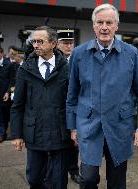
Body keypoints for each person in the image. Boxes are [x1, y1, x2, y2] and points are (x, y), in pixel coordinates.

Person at [66, 4, 138, 189]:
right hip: (88, 125)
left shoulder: (131, 53)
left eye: (109, 22)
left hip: (119, 126)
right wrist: (72, 126)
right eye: (100, 22)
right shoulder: (79, 54)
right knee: (87, 178)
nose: (104, 27)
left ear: (116, 26)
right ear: (94, 26)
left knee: (117, 181)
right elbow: (72, 95)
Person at [10, 26, 71, 189]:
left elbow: (73, 102)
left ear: (53, 43)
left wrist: (75, 129)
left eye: (40, 41)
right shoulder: (25, 68)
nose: (35, 45)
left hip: (60, 133)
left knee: (58, 182)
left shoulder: (67, 68)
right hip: (34, 132)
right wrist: (16, 134)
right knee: (35, 179)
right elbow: (18, 104)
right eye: (34, 41)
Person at [57, 29, 81, 184]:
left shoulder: (79, 60)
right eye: (65, 43)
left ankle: (73, 170)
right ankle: (57, 172)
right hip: (57, 108)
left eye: (70, 43)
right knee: (58, 143)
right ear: (57, 43)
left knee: (74, 142)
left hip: (75, 108)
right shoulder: (53, 60)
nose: (68, 46)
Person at [0, 47, 12, 143]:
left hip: (5, 94)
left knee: (5, 115)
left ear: (2, 54)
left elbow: (12, 80)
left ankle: (4, 132)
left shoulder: (8, 64)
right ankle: (1, 134)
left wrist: (8, 92)